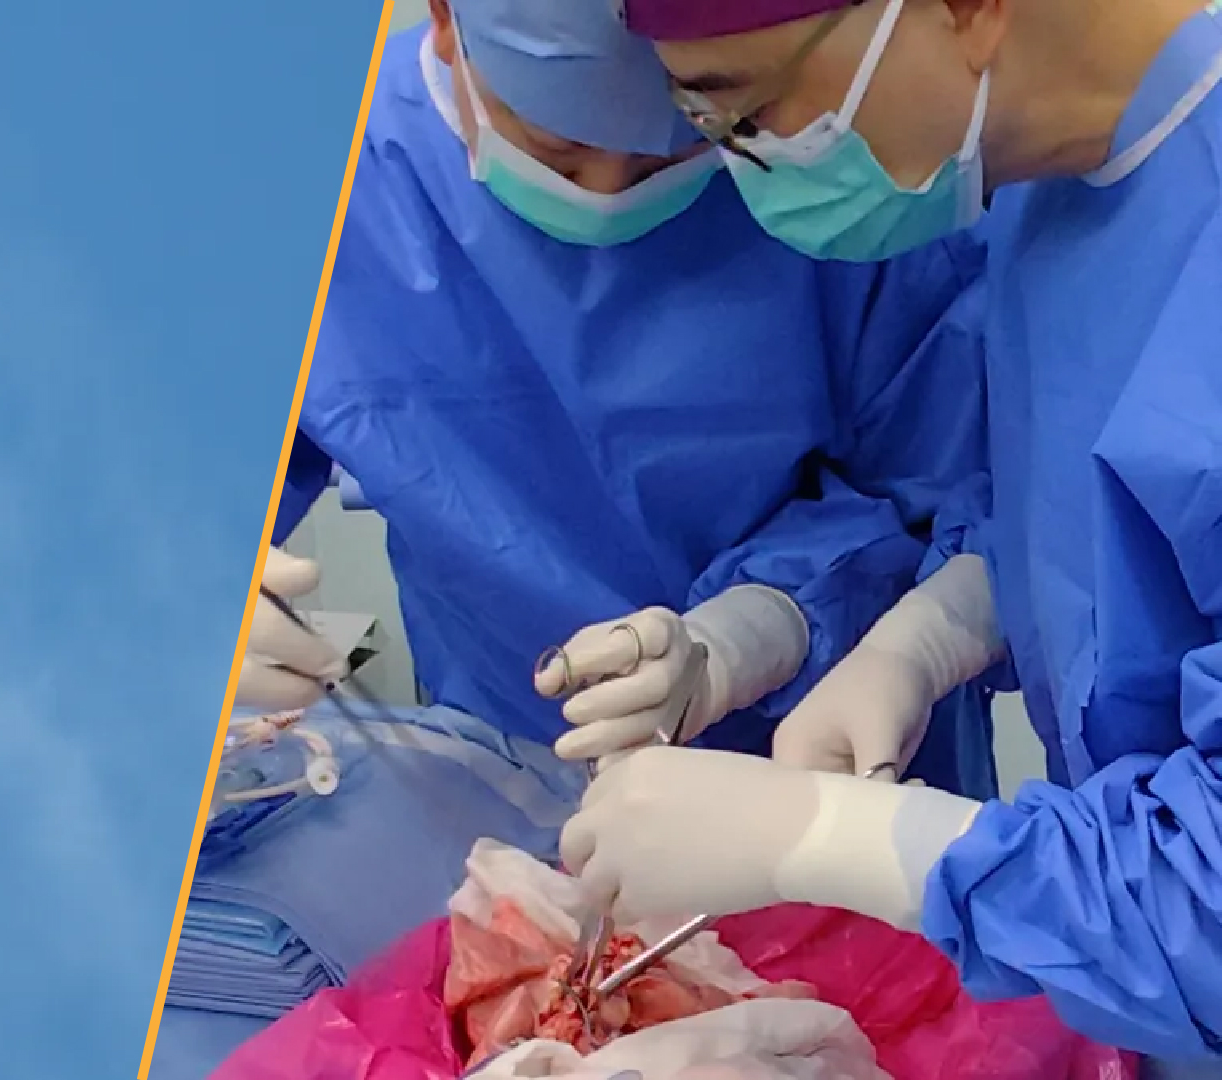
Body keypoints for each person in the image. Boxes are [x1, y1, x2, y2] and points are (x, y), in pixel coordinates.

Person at [559, 0, 1222, 1060]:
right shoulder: (1047, 179)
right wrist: (927, 637)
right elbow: (1118, 510)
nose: (755, 169)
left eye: (754, 109)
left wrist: (845, 841)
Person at [236, 0, 1002, 800]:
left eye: (668, 157)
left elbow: (944, 480)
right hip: (508, 760)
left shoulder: (844, 158)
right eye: (558, 152)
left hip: (841, 751)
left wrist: (750, 633)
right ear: (442, 19)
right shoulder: (325, 173)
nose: (607, 197)